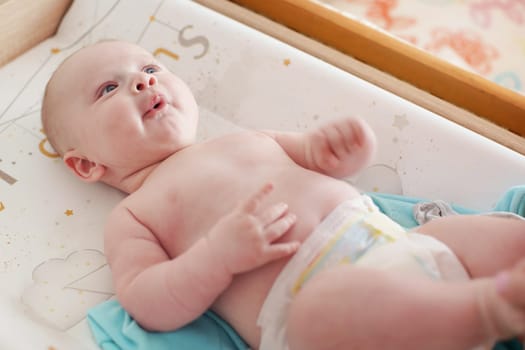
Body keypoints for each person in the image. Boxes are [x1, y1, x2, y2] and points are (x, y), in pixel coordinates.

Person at [41, 40, 525, 350]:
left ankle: (495, 296)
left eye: (149, 66)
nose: (143, 81)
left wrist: (341, 149)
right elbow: (147, 302)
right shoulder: (134, 216)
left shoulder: (251, 139)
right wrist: (217, 257)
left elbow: (321, 159)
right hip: (322, 318)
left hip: (404, 251)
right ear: (86, 163)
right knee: (332, 300)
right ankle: (486, 309)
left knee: (491, 236)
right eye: (109, 88)